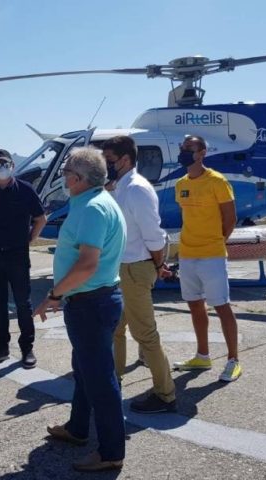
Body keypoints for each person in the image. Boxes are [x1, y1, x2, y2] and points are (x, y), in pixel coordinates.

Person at [34, 147, 126, 472]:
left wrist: (54, 293)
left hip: (91, 303)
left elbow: (87, 264)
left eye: (64, 172)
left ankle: (112, 451)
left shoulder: (92, 209)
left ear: (77, 178)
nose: (62, 176)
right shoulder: (94, 203)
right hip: (92, 300)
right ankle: (77, 428)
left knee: (100, 378)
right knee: (85, 370)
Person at [102, 135, 177, 413]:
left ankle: (165, 394)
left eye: (109, 160)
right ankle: (114, 380)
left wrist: (158, 266)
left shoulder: (136, 189)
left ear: (124, 160)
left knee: (145, 335)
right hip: (122, 268)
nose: (106, 165)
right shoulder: (119, 187)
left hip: (136, 269)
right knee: (115, 330)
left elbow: (154, 238)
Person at [173, 135, 242, 382]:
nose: (183, 151)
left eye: (188, 147)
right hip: (188, 254)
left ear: (202, 152)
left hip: (211, 255)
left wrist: (217, 243)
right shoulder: (180, 184)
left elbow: (230, 218)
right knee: (194, 305)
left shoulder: (217, 181)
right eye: (182, 147)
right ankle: (202, 356)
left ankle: (233, 359)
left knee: (221, 306)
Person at [0, 149, 47, 369]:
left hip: (17, 253)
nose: (1, 168)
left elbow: (40, 218)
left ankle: (27, 348)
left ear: (13, 166)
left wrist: (29, 239)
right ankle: (1, 347)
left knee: (22, 303)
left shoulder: (25, 190)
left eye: (5, 164)